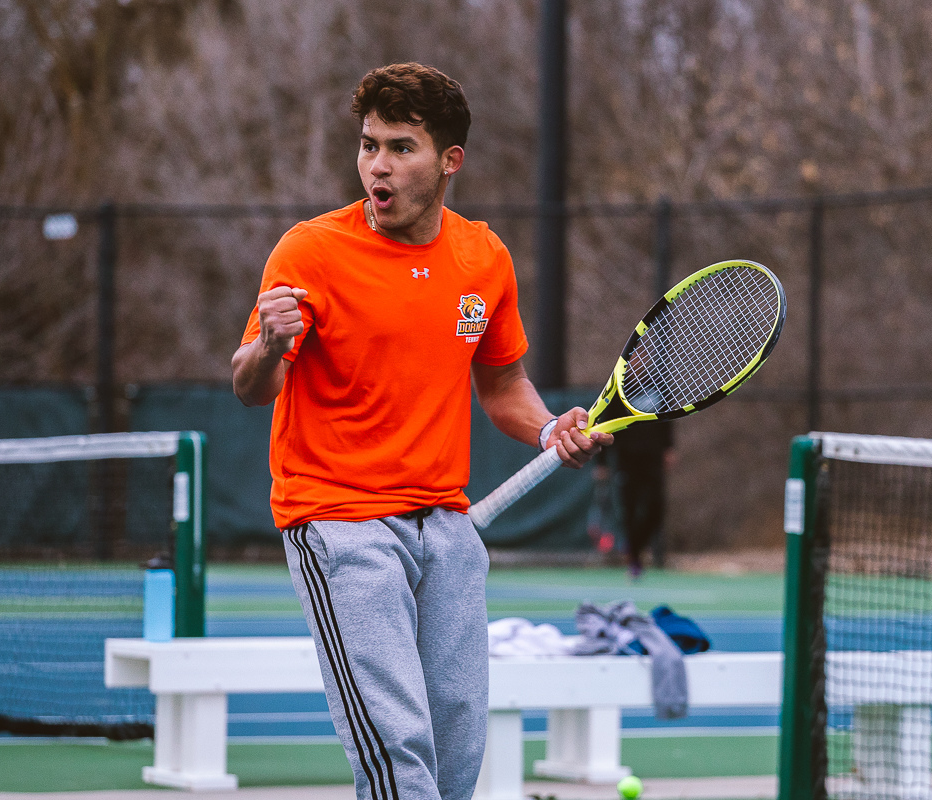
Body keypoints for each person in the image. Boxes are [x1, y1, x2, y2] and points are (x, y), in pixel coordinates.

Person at [230, 63, 611, 800]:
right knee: (396, 744)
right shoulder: (308, 252)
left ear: (448, 162)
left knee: (458, 737)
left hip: (448, 529)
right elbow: (253, 388)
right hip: (340, 525)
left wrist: (548, 429)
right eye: (369, 145)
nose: (378, 164)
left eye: (401, 147)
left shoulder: (484, 258)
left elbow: (502, 387)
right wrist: (267, 345)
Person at [601, 422, 674, 577]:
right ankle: (634, 560)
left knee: (656, 509)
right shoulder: (617, 397)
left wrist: (668, 447)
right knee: (629, 510)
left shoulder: (662, 396)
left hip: (653, 457)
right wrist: (601, 461)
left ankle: (634, 548)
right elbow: (608, 423)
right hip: (626, 457)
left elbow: (667, 417)